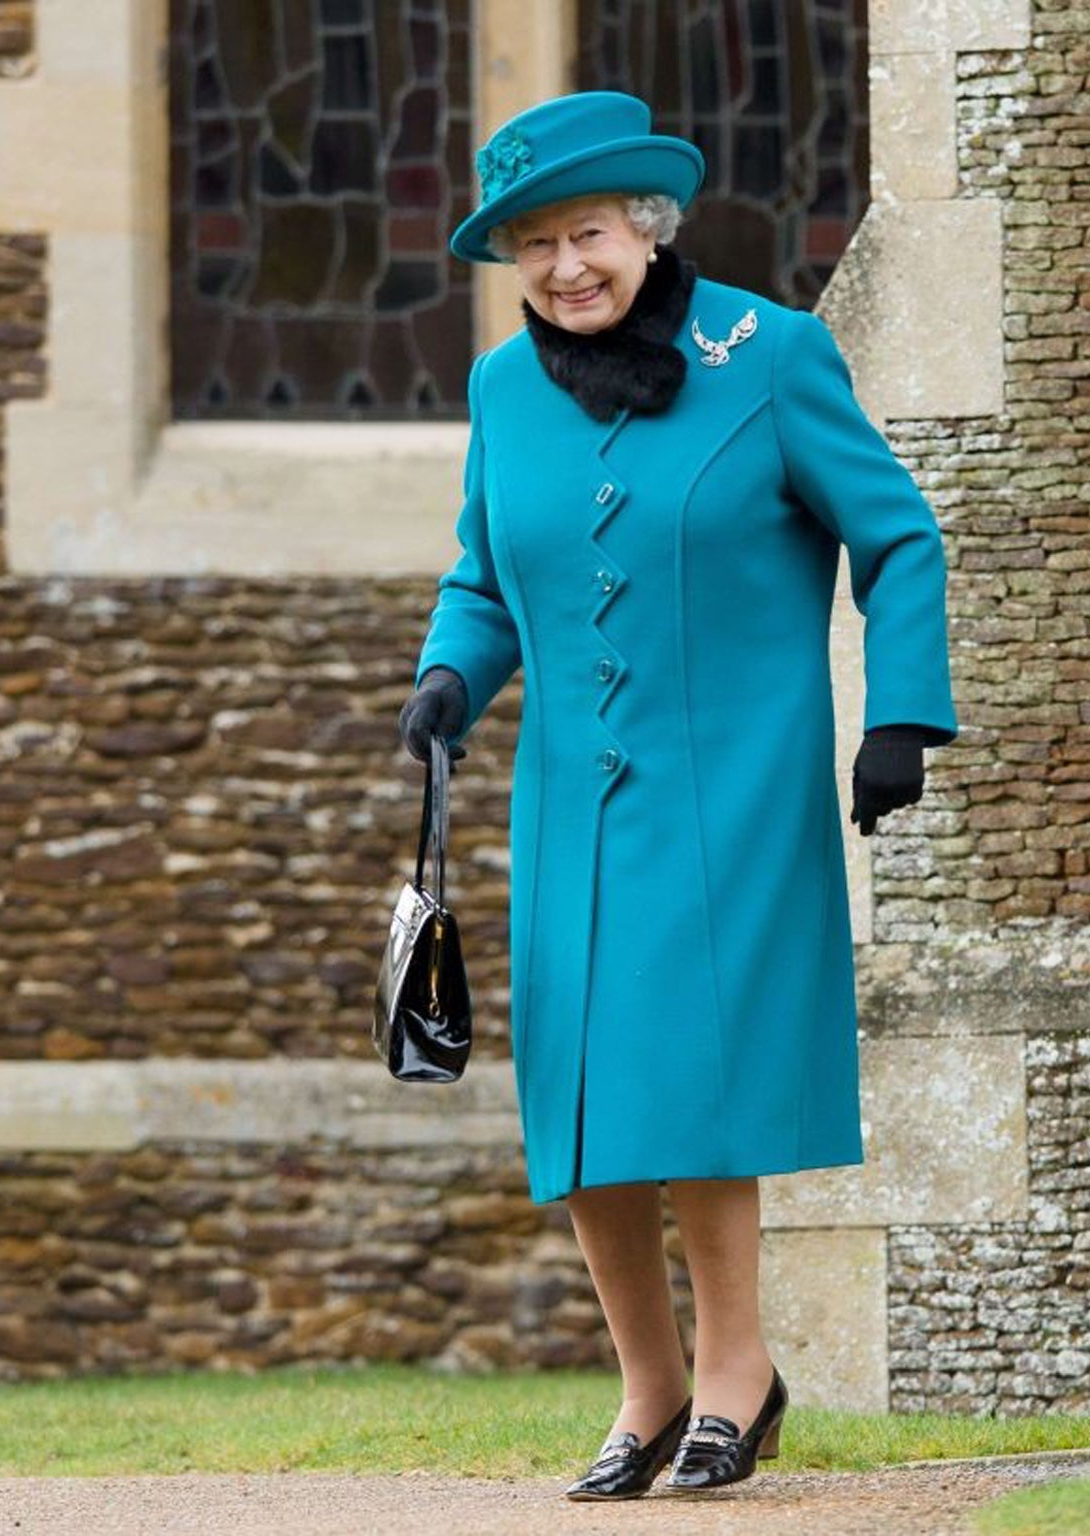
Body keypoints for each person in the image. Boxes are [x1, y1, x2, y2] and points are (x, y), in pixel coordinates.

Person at [394, 90, 958, 1501]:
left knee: (697, 1086)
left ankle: (737, 1373)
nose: (563, 268)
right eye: (531, 246)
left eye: (583, 233)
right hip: (565, 802)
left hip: (736, 792)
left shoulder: (771, 358)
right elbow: (484, 573)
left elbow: (896, 536)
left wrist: (898, 715)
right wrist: (450, 675)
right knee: (583, 1106)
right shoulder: (501, 391)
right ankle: (646, 1390)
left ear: (645, 228)